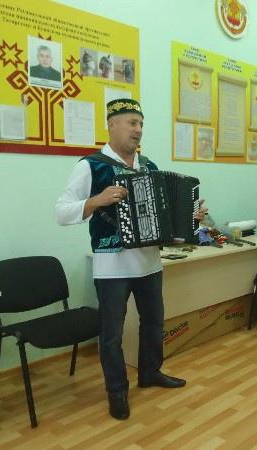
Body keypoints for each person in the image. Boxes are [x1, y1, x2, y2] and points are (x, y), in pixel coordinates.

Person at [55, 99, 208, 421]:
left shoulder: (149, 166)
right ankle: (116, 391)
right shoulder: (91, 166)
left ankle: (150, 372)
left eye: (141, 124)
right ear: (112, 125)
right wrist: (96, 200)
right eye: (132, 123)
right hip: (112, 266)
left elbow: (166, 219)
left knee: (153, 322)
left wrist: (189, 218)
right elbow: (61, 212)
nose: (138, 130)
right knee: (111, 333)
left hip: (149, 263)